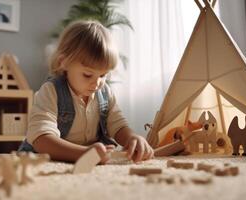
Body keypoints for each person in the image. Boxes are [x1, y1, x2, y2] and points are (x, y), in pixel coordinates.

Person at [18, 20, 154, 163]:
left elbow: (118, 125)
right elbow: (42, 140)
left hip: (90, 157)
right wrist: (84, 154)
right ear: (63, 62)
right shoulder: (51, 91)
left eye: (103, 75)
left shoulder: (105, 92)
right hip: (49, 159)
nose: (97, 83)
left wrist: (132, 137)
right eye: (88, 75)